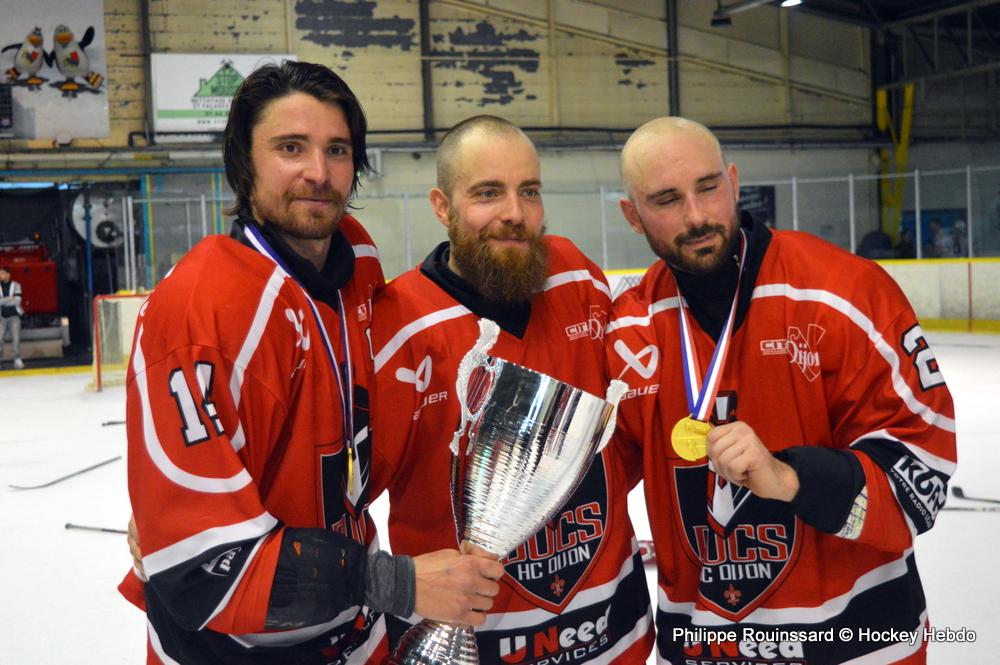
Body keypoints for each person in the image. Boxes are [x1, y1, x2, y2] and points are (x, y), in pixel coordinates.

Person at [120, 61, 503, 665]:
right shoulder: (204, 306)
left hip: (353, 632)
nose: (318, 173)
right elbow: (199, 570)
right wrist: (397, 583)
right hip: (237, 651)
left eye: (337, 150)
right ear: (243, 165)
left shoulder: (355, 263)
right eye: (290, 148)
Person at [606, 117, 956, 664]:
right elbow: (586, 485)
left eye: (708, 187)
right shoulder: (630, 329)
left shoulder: (843, 293)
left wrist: (792, 478)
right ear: (633, 216)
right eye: (667, 200)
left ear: (734, 182)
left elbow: (922, 477)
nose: (696, 216)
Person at [367, 115, 654, 663]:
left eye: (529, 191)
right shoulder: (398, 326)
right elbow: (338, 494)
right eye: (487, 193)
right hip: (469, 648)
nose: (515, 213)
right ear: (442, 206)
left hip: (614, 636)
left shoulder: (575, 275)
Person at [0, 266, 24, 369]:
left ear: (8, 275)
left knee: (16, 339)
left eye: (2, 273)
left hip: (14, 317)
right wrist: (9, 298)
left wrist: (3, 301)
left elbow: (17, 301)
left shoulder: (16, 285)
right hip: (1, 318)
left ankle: (17, 359)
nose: (0, 275)